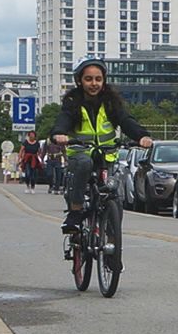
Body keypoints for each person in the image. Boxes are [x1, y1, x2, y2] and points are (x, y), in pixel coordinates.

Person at [43, 59, 154, 238]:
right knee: (85, 163)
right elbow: (62, 120)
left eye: (98, 79)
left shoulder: (111, 102)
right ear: (80, 81)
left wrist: (142, 136)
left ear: (103, 80)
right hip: (80, 154)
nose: (94, 83)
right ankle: (76, 211)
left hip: (106, 155)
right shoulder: (73, 101)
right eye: (88, 79)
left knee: (113, 195)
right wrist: (59, 134)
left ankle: (112, 244)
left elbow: (126, 121)